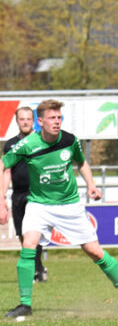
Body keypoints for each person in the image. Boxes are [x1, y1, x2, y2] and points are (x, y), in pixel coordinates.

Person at [0, 100, 118, 318]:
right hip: (39, 204)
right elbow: (3, 164)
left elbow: (81, 163)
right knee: (29, 245)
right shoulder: (27, 145)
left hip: (69, 205)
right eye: (52, 118)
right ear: (40, 122)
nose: (57, 122)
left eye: (59, 117)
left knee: (94, 251)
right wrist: (1, 200)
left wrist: (92, 185)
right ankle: (25, 304)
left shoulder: (70, 140)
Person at [2, 107, 48, 284]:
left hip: (37, 194)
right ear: (17, 121)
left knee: (33, 233)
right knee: (22, 234)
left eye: (29, 119)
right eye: (22, 119)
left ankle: (35, 271)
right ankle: (39, 267)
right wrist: (2, 196)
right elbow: (6, 171)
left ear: (34, 120)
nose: (25, 122)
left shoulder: (42, 141)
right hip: (18, 194)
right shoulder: (10, 145)